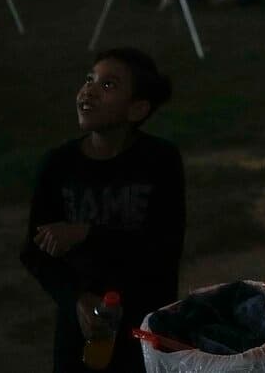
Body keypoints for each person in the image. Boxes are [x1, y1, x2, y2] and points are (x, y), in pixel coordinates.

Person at [21, 48, 184, 373]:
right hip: (79, 330)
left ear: (137, 108)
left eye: (108, 85)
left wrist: (87, 233)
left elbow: (163, 246)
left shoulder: (160, 161)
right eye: (89, 79)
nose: (89, 90)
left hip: (144, 328)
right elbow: (35, 252)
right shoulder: (58, 165)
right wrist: (76, 300)